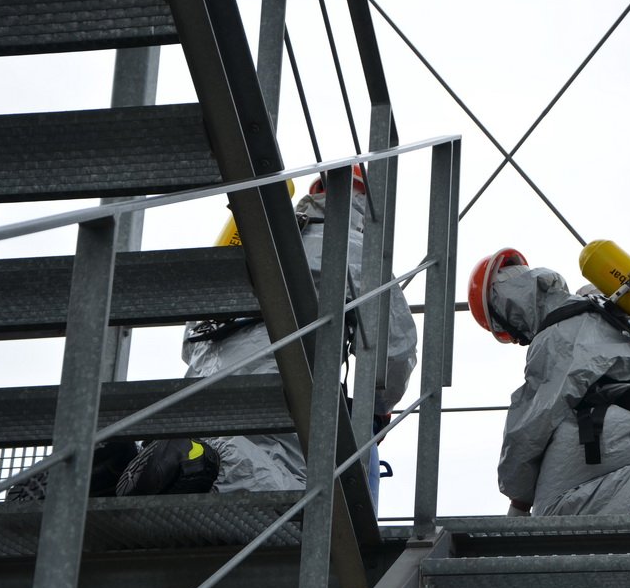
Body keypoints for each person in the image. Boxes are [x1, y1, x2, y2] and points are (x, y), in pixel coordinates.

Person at [117, 166, 418, 508]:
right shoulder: (355, 247)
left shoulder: (250, 240)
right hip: (285, 390)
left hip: (201, 390)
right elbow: (395, 348)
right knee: (293, 490)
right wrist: (375, 408)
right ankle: (190, 460)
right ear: (368, 208)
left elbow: (192, 337)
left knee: (245, 453)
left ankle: (116, 463)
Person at [468, 248, 630, 517]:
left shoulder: (558, 334)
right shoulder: (600, 305)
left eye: (508, 333)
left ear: (509, 312)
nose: (516, 340)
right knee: (591, 489)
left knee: (551, 510)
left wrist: (519, 498)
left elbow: (532, 424)